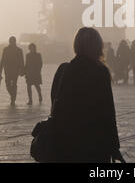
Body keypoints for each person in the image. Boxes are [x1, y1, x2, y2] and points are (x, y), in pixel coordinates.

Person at [50, 27, 123, 163]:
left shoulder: (64, 70)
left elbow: (55, 105)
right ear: (97, 46)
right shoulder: (100, 72)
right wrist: (114, 147)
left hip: (67, 143)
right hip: (95, 144)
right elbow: (107, 112)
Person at [0, 36, 25, 105]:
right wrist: (0, 68)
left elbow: (21, 61)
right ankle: (13, 96)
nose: (12, 42)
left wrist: (22, 70)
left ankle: (13, 98)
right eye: (11, 41)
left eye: (12, 41)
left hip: (15, 70)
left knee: (13, 84)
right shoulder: (6, 49)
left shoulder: (19, 50)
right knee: (8, 85)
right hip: (7, 70)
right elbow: (3, 59)